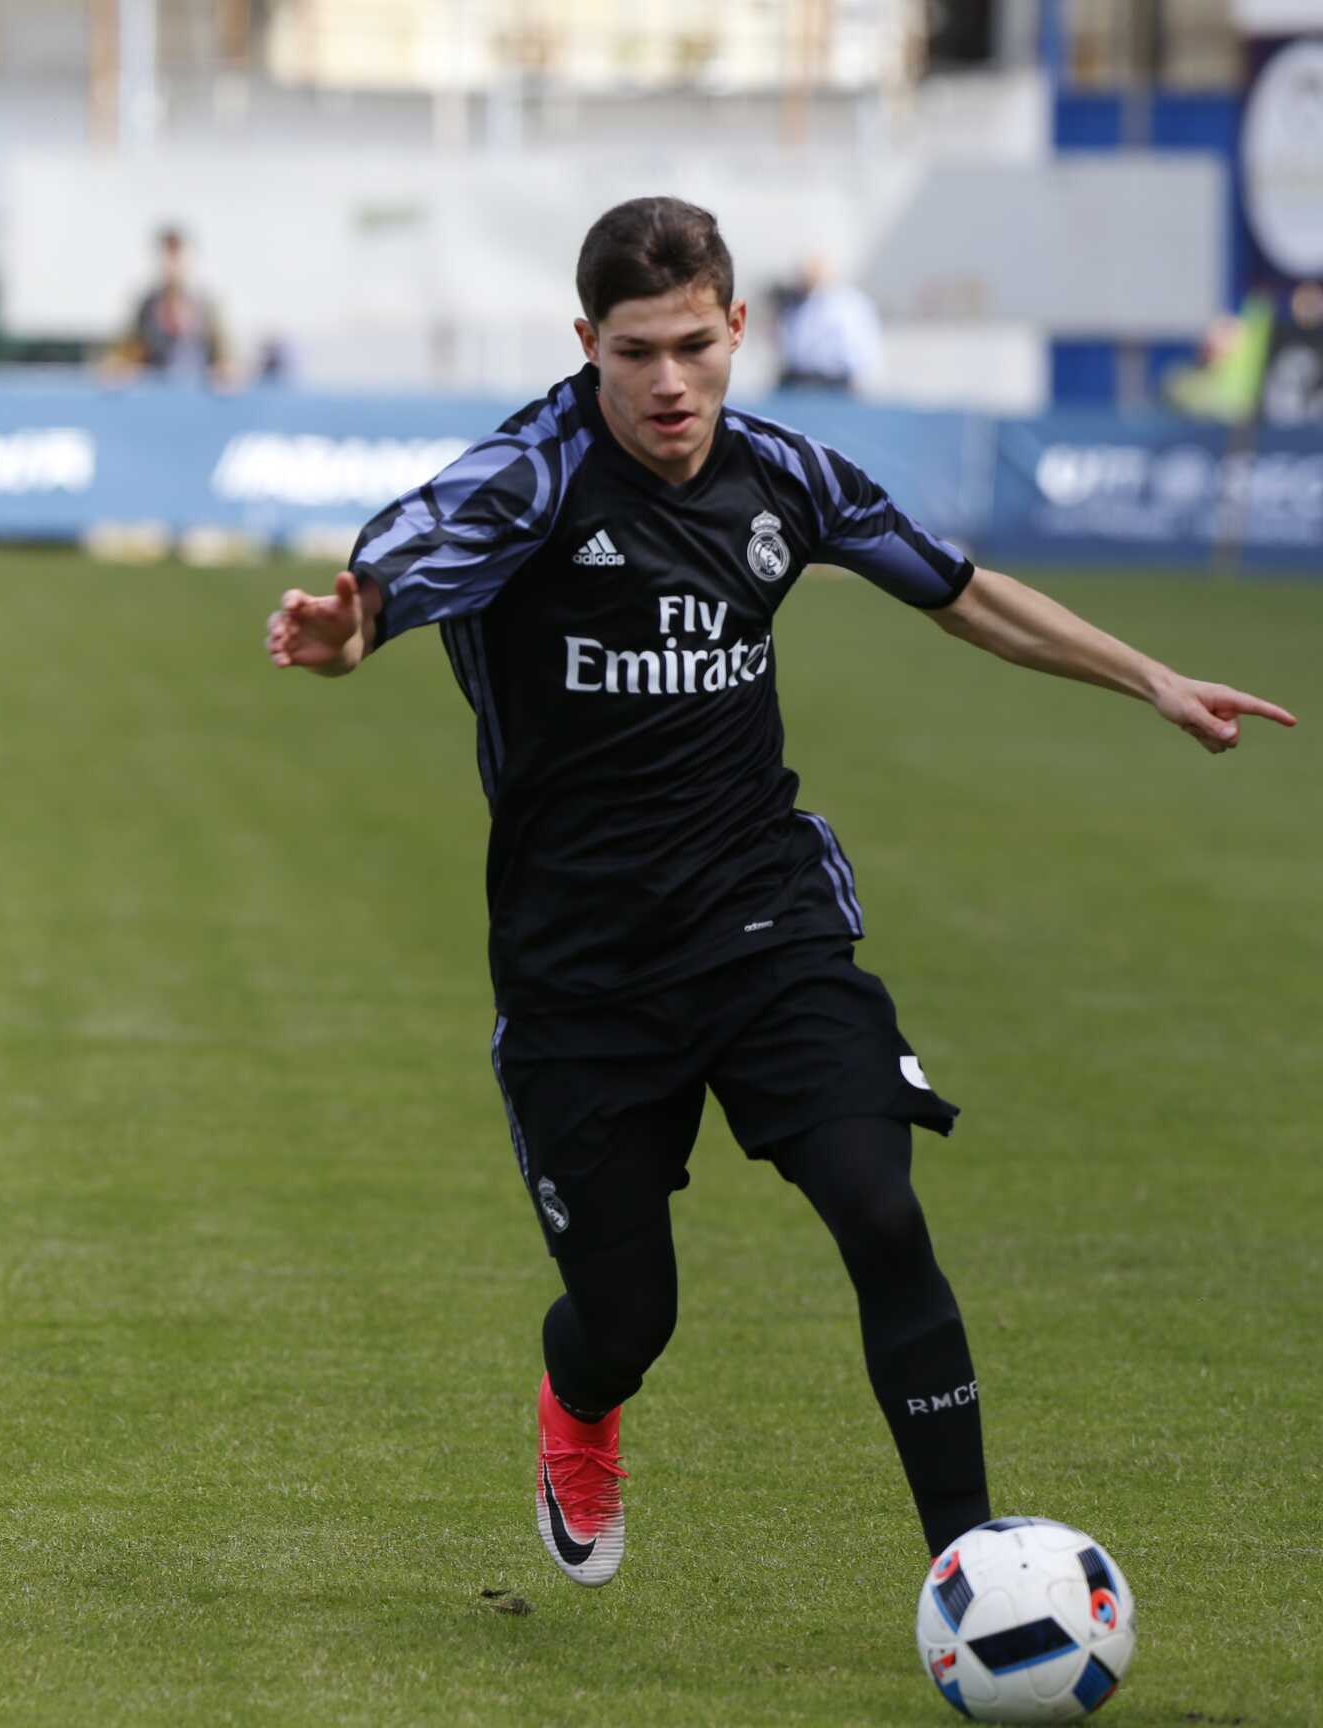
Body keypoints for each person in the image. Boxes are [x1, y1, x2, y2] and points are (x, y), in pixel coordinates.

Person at [265, 197, 1295, 1590]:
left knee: (881, 1208)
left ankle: (977, 1578)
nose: (669, 381)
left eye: (694, 346)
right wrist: (346, 635)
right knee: (628, 1318)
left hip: (764, 918)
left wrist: (1151, 677)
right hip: (581, 969)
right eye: (636, 352)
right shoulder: (529, 481)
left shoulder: (784, 474)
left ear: (740, 328)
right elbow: (386, 580)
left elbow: (960, 592)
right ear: (587, 342)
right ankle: (579, 1404)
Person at [118, 225, 227, 384]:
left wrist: (224, 370)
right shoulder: (147, 305)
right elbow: (130, 354)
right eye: (167, 254)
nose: (172, 263)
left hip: (196, 390)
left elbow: (223, 358)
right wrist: (123, 367)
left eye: (176, 254)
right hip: (156, 390)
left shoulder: (205, 305)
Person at [776, 252, 882, 393]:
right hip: (800, 380)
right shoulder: (797, 305)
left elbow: (859, 348)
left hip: (834, 382)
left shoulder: (848, 305)